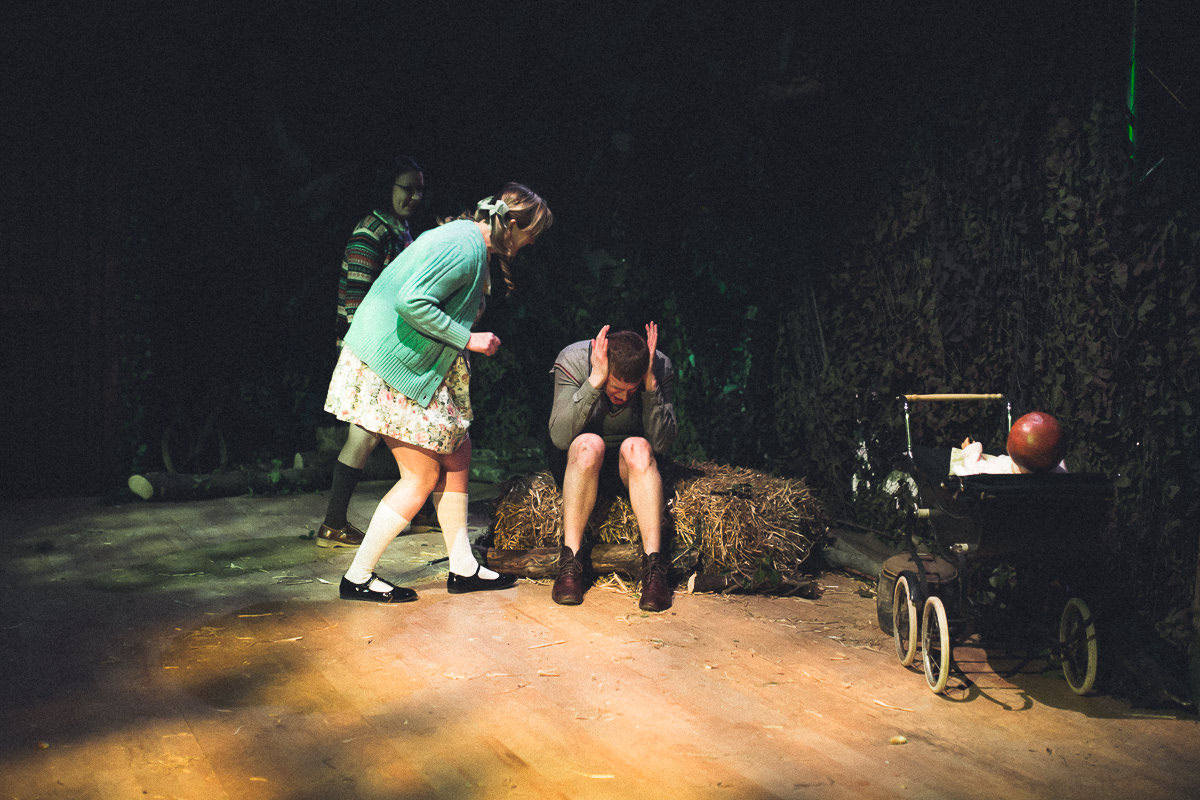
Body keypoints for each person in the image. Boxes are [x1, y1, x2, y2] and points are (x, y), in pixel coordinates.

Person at [325, 183, 553, 602]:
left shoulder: (471, 242)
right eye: (531, 233)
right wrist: (469, 339)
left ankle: (463, 566)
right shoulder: (465, 246)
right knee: (421, 476)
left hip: (409, 364)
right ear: (511, 223)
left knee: (457, 451)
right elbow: (412, 301)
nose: (533, 242)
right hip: (389, 366)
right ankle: (358, 576)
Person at [317, 155, 428, 549]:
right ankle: (333, 523)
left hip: (387, 348)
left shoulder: (401, 230)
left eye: (419, 189)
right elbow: (357, 300)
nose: (414, 197)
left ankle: (421, 512)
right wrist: (366, 355)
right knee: (365, 435)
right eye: (406, 188)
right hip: (369, 349)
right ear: (388, 188)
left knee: (409, 426)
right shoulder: (371, 231)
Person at [547, 323, 677, 611]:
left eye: (631, 390)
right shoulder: (573, 359)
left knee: (638, 447)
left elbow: (662, 444)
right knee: (589, 444)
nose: (623, 397)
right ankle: (570, 562)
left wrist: (650, 387)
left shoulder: (659, 366)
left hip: (630, 468)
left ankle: (654, 570)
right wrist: (594, 382)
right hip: (581, 464)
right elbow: (560, 437)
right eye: (617, 388)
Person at [952, 411, 1068, 475]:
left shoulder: (995, 474)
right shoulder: (1063, 480)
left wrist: (971, 450)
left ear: (1009, 449)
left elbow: (971, 468)